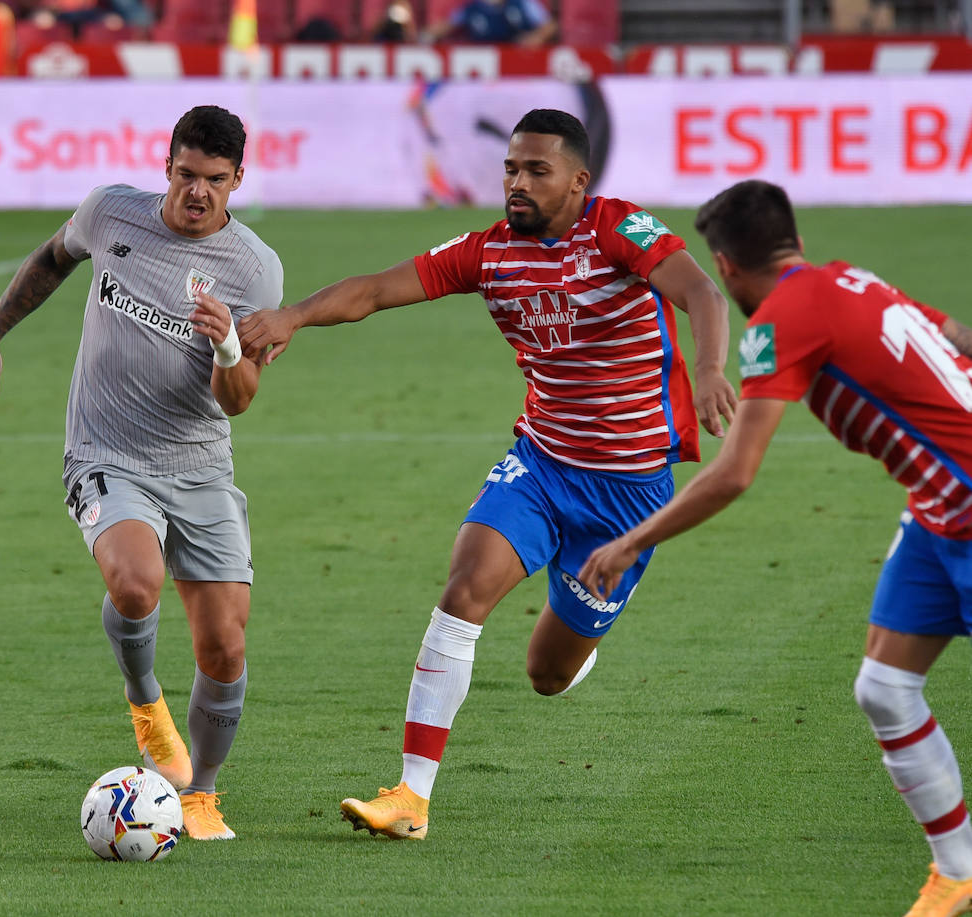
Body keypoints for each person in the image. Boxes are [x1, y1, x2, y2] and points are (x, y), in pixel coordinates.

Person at [237, 108, 737, 839]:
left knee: (548, 672)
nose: (518, 183)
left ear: (578, 180)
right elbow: (376, 289)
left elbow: (702, 293)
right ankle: (411, 797)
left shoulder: (617, 230)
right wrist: (295, 316)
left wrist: (714, 366)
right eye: (511, 168)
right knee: (464, 587)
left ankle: (577, 643)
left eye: (537, 170)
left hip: (629, 492)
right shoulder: (489, 252)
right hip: (540, 463)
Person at [578, 179, 972, 917]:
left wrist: (630, 541)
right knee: (884, 688)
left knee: (887, 690)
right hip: (939, 510)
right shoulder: (852, 278)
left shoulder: (781, 320)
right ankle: (957, 871)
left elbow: (733, 474)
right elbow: (954, 335)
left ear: (724, 267)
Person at [0, 105, 283, 841]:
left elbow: (238, 404)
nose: (195, 193)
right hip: (107, 451)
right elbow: (52, 258)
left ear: (239, 178)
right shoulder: (112, 212)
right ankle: (146, 702)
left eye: (212, 180)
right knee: (136, 582)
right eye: (184, 175)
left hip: (201, 464)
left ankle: (201, 794)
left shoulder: (254, 268)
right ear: (165, 165)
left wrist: (230, 350)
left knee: (225, 644)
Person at [426, 0, 557, 46]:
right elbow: (448, 24)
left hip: (520, 67)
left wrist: (536, 37)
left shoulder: (523, 3)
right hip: (486, 69)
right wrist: (426, 35)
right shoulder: (472, 8)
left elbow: (550, 26)